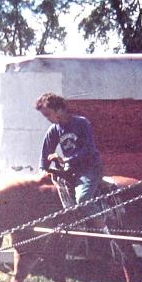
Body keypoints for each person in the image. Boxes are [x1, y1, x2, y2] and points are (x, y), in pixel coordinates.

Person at [35, 92, 103, 226]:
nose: (47, 118)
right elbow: (45, 155)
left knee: (83, 199)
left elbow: (89, 149)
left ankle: (105, 231)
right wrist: (42, 171)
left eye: (48, 114)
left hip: (89, 169)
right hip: (70, 170)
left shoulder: (81, 123)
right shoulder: (54, 130)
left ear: (58, 109)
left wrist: (67, 160)